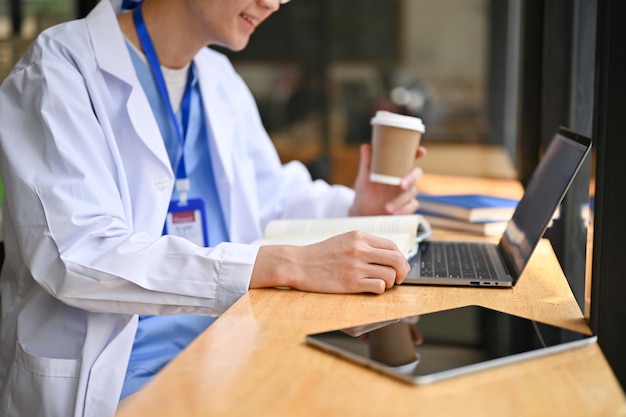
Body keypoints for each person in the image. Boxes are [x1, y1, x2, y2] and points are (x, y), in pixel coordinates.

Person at [0, 0, 426, 416]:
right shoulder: (59, 70)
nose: (275, 3)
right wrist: (283, 264)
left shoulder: (217, 76)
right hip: (119, 382)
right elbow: (77, 254)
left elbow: (270, 198)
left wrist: (358, 207)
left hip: (230, 353)